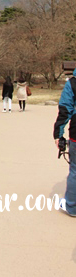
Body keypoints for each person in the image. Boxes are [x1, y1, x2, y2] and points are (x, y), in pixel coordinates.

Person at [53, 68, 76, 217]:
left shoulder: (73, 83)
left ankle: (72, 206)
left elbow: (65, 109)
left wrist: (58, 134)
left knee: (75, 170)